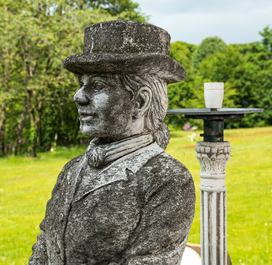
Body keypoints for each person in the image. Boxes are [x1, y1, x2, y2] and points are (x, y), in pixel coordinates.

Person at [28, 20, 195, 265]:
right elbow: (45, 244)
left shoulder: (166, 178)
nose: (79, 97)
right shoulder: (72, 169)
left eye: (98, 86)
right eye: (81, 85)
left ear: (139, 102)